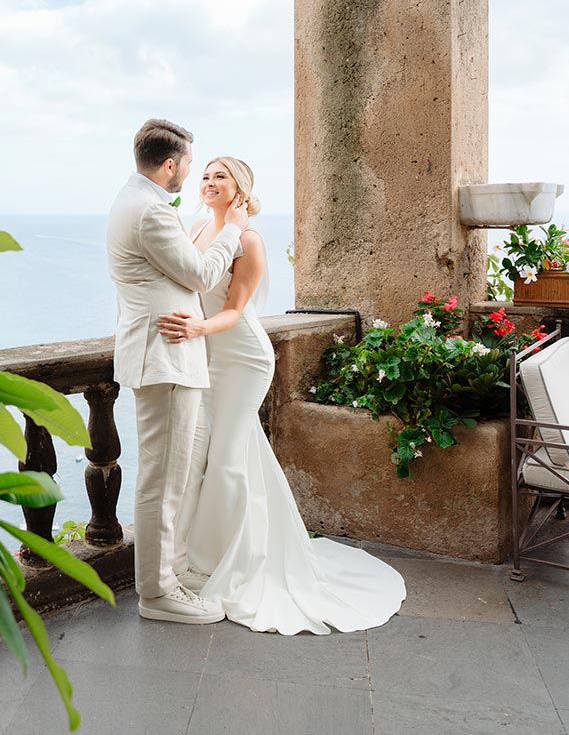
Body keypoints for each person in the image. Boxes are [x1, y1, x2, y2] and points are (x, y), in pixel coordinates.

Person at [157, 157, 406, 634]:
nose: (209, 182)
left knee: (227, 458)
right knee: (222, 455)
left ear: (239, 188)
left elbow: (235, 309)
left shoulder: (248, 240)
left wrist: (197, 330)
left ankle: (238, 563)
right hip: (207, 358)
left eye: (220, 177)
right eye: (206, 175)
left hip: (243, 357)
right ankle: (206, 555)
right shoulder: (193, 231)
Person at [105, 120, 250, 624]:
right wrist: (233, 229)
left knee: (170, 477)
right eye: (190, 164)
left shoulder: (132, 200)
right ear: (170, 164)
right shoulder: (152, 213)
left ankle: (170, 575)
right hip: (164, 357)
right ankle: (158, 592)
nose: (191, 174)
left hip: (162, 354)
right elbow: (205, 274)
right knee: (163, 482)